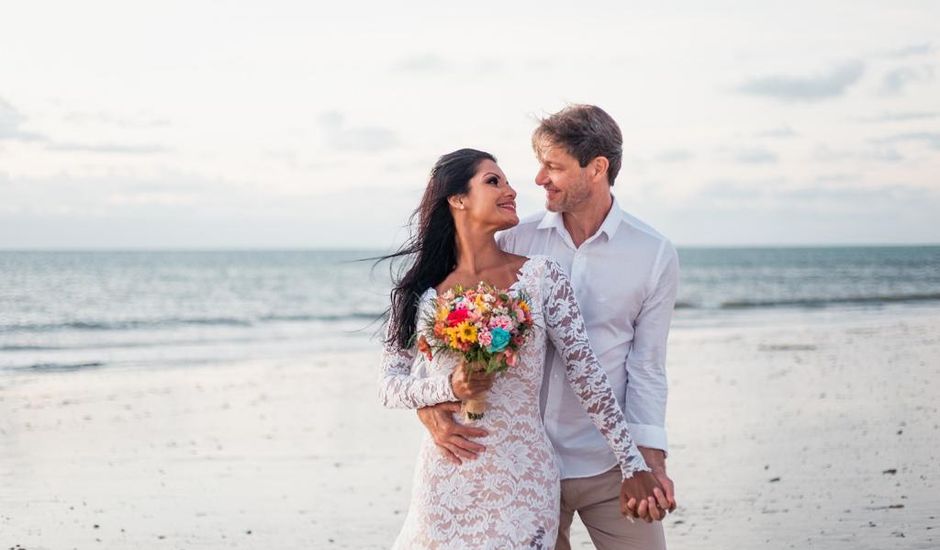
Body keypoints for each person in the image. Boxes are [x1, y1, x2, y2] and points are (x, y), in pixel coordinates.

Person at [416, 105, 679, 550]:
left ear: (597, 168)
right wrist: (429, 409)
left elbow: (647, 367)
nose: (538, 179)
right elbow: (441, 334)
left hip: (606, 462)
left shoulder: (652, 254)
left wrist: (648, 461)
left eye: (553, 167)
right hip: (518, 467)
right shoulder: (514, 238)